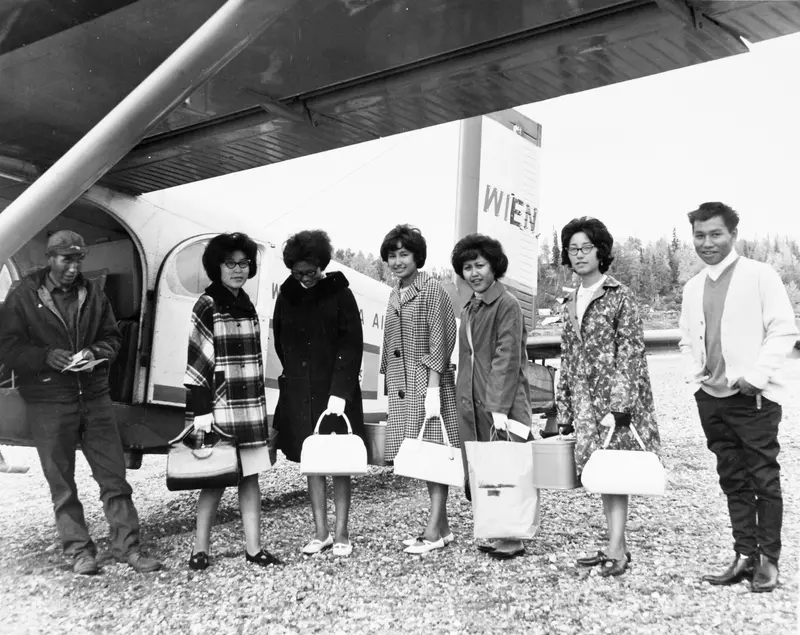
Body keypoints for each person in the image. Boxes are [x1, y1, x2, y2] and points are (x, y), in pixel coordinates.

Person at [0, 230, 162, 575]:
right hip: (48, 400)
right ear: (50, 258)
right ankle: (79, 552)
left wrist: (95, 353)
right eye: (66, 259)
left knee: (114, 477)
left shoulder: (94, 293)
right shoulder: (24, 295)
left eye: (79, 259)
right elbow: (9, 348)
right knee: (62, 483)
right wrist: (46, 357)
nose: (74, 267)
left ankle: (127, 548)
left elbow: (113, 339)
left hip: (94, 396)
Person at [679, 202, 798, 593]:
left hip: (753, 398)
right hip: (711, 398)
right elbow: (686, 339)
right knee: (731, 477)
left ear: (733, 234)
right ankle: (744, 554)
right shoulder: (693, 287)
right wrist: (696, 380)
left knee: (763, 477)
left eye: (716, 234)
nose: (707, 242)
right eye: (700, 235)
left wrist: (756, 378)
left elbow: (782, 330)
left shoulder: (760, 276)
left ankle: (769, 560)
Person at [555, 217, 660, 577]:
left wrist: (621, 407)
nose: (579, 254)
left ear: (601, 251)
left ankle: (618, 547)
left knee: (617, 469)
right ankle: (615, 544)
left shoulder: (619, 295)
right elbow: (567, 356)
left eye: (586, 247)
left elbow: (630, 352)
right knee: (601, 470)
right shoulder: (569, 301)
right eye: (573, 249)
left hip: (615, 401)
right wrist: (565, 408)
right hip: (585, 400)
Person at [184, 232, 279, 570]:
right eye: (230, 263)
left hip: (250, 406)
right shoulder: (206, 304)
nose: (238, 270)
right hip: (219, 409)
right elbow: (197, 363)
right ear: (217, 266)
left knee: (250, 477)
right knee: (213, 479)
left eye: (244, 264)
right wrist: (200, 412)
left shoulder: (247, 305)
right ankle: (199, 549)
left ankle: (254, 549)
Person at [272, 230, 364, 557]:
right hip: (301, 390)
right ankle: (321, 532)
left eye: (311, 272)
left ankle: (342, 533)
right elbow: (280, 342)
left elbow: (351, 345)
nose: (305, 279)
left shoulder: (340, 293)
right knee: (312, 462)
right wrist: (296, 377)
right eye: (298, 273)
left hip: (335, 392)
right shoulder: (286, 296)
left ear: (322, 265)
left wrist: (340, 391)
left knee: (338, 462)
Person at [380, 224, 460, 555]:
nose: (398, 261)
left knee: (434, 453)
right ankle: (441, 527)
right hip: (403, 383)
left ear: (417, 256)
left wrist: (433, 390)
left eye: (405, 254)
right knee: (424, 456)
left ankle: (434, 531)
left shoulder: (432, 291)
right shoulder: (395, 291)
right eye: (392, 255)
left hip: (427, 383)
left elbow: (441, 340)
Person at [451, 234, 532, 559]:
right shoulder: (471, 306)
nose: (474, 273)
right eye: (467, 267)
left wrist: (499, 407)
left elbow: (506, 357)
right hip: (472, 399)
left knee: (508, 466)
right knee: (486, 467)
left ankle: (513, 537)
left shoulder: (507, 304)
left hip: (502, 402)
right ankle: (497, 529)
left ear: (494, 266)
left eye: (480, 265)